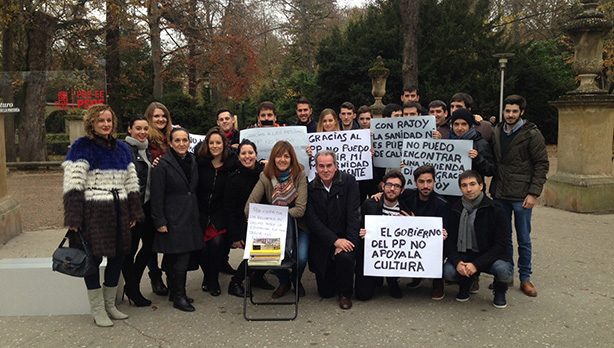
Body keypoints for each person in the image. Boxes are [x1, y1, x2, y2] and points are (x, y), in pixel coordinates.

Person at [63, 104, 144, 327]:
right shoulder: (82, 147)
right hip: (93, 213)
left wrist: (134, 210)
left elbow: (131, 181)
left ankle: (110, 305)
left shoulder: (121, 148)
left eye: (109, 120)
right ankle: (98, 309)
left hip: (119, 211)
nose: (106, 124)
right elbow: (73, 184)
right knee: (93, 259)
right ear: (92, 123)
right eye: (101, 121)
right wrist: (74, 218)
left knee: (118, 257)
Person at [489, 94, 549, 297]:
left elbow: (541, 164)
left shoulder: (532, 134)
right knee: (503, 237)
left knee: (523, 238)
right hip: (500, 192)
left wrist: (533, 193)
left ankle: (526, 277)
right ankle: (507, 273)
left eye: (515, 111)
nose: (510, 114)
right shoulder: (497, 131)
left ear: (521, 112)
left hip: (522, 195)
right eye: (507, 111)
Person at [245, 141, 309, 298]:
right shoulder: (266, 176)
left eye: (286, 156)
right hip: (273, 227)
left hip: (299, 224)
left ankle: (296, 279)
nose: (282, 160)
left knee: (300, 257)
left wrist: (276, 215)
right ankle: (285, 281)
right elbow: (249, 207)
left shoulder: (299, 173)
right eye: (278, 156)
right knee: (269, 255)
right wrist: (256, 218)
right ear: (273, 158)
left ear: (292, 158)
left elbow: (300, 210)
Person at [150, 127, 203, 312]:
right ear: (170, 143)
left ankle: (175, 291)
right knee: (181, 256)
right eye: (177, 140)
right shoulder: (162, 164)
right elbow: (156, 196)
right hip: (172, 216)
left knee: (177, 256)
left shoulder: (193, 160)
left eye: (185, 140)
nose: (182, 144)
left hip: (189, 214)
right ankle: (179, 297)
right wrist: (159, 221)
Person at [443, 170, 513, 308]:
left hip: (490, 256)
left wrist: (476, 265)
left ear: (481, 186)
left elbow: (501, 244)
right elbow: (449, 241)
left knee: (503, 270)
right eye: (464, 185)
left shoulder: (495, 209)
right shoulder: (455, 209)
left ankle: (500, 290)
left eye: (472, 184)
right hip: (466, 254)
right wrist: (457, 262)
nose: (469, 189)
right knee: (449, 272)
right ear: (460, 188)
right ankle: (466, 282)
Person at [306, 150, 360, 309]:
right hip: (323, 240)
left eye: (329, 165)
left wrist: (348, 241)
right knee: (325, 292)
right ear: (316, 168)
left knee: (345, 257)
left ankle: (345, 293)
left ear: (336, 166)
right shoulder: (310, 188)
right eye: (321, 166)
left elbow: (353, 215)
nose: (325, 170)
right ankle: (335, 277)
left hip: (345, 236)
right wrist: (334, 241)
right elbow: (312, 220)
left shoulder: (349, 182)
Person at [195, 127, 241, 296]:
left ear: (224, 144)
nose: (215, 146)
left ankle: (213, 280)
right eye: (211, 142)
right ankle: (207, 276)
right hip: (200, 211)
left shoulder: (232, 163)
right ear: (207, 144)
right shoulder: (198, 162)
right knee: (201, 249)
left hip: (219, 212)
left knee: (217, 246)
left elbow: (248, 166)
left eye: (218, 142)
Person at [355, 170, 410, 301]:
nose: (392, 189)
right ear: (383, 186)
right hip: (371, 256)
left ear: (402, 190)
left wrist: (411, 222)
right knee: (363, 295)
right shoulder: (370, 205)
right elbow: (358, 225)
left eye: (397, 186)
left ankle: (392, 279)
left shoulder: (406, 209)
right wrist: (361, 232)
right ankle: (376, 277)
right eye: (389, 184)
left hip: (395, 257)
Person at [224, 140, 269, 297]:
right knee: (256, 254)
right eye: (243, 153)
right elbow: (229, 209)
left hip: (266, 221)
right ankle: (235, 282)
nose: (247, 156)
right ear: (238, 156)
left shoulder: (265, 173)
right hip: (243, 223)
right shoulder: (233, 178)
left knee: (269, 253)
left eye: (250, 153)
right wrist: (235, 236)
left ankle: (257, 277)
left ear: (256, 155)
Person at [121, 116, 154, 307]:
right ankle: (133, 289)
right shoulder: (126, 150)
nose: (142, 132)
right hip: (134, 208)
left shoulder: (146, 151)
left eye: (145, 129)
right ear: (129, 129)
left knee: (149, 246)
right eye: (138, 129)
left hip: (147, 206)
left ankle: (132, 285)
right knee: (130, 250)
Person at [143, 101, 171, 295]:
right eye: (156, 116)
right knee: (151, 241)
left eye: (163, 116)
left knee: (170, 238)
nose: (160, 119)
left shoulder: (172, 137)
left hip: (171, 196)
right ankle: (155, 275)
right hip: (151, 196)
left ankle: (172, 275)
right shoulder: (146, 141)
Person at [447, 109, 495, 179]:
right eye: (456, 124)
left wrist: (478, 158)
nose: (460, 128)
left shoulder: (480, 143)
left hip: (472, 188)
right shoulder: (447, 142)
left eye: (464, 124)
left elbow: (491, 170)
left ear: (470, 125)